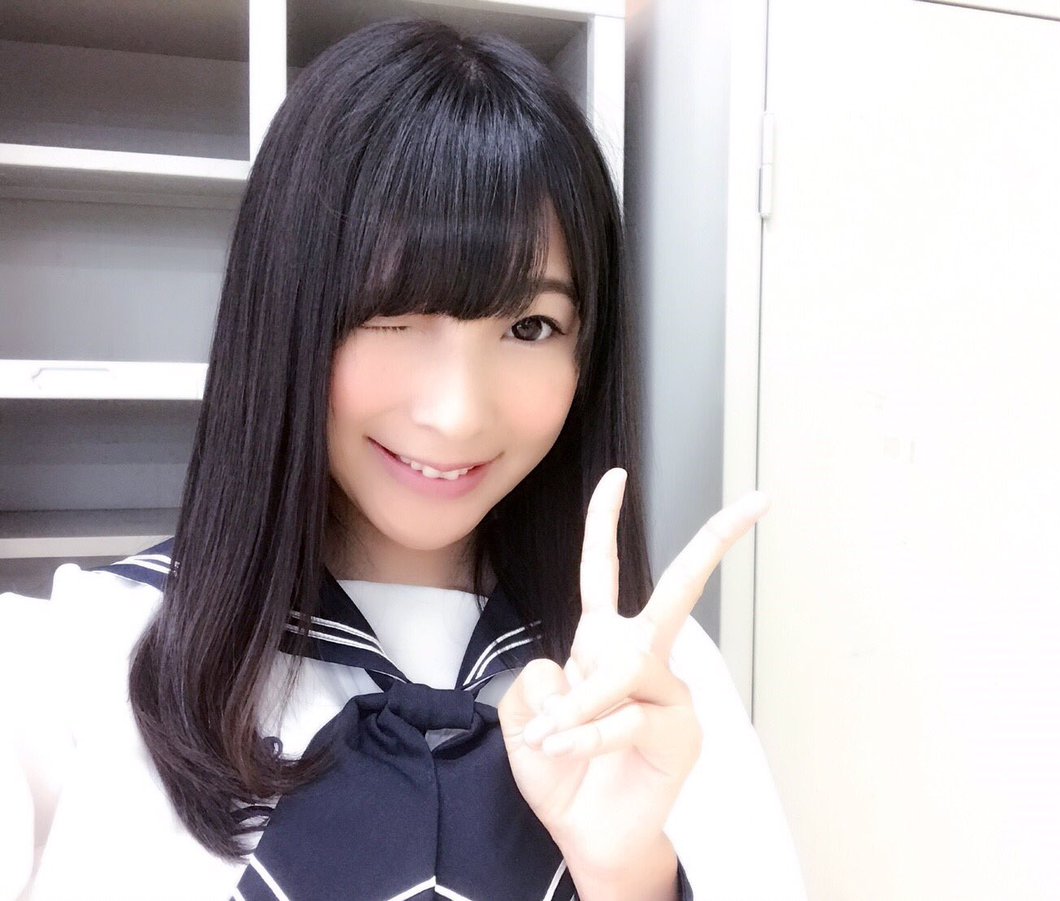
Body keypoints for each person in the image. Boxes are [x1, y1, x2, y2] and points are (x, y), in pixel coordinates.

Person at [0, 17, 805, 901]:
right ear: (287, 309)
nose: (455, 414)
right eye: (391, 311)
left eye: (530, 326)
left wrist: (629, 876)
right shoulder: (73, 662)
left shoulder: (654, 694)